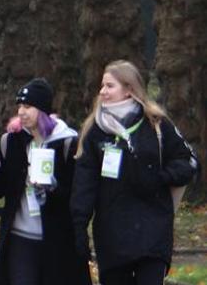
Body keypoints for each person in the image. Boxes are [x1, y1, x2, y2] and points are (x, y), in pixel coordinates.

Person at [71, 60, 199, 285]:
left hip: (152, 230)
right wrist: (79, 226)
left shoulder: (156, 123)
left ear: (129, 89)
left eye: (110, 86)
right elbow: (84, 183)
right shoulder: (94, 131)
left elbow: (187, 162)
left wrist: (161, 177)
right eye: (102, 86)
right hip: (112, 234)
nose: (102, 92)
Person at [0, 78, 91, 285]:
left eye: (28, 107)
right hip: (20, 238)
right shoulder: (11, 141)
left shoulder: (67, 143)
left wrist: (53, 190)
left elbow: (76, 195)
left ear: (43, 109)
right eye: (19, 106)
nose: (21, 112)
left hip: (57, 240)